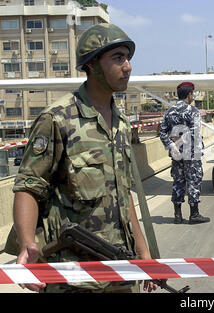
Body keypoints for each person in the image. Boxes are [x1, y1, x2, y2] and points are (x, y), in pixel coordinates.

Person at [10, 23, 158, 293]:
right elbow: (28, 186)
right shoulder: (57, 119)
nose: (128, 66)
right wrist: (26, 244)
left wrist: (143, 254)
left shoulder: (122, 123)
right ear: (91, 64)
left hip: (120, 269)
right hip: (71, 275)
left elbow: (124, 195)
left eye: (128, 58)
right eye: (117, 58)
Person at [159, 82, 210, 225]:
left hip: (176, 154)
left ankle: (177, 215)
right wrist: (180, 141)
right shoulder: (192, 111)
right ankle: (194, 215)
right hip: (191, 153)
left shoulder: (169, 112)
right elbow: (194, 131)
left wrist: (171, 145)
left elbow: (162, 132)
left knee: (178, 182)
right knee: (193, 181)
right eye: (192, 94)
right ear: (189, 95)